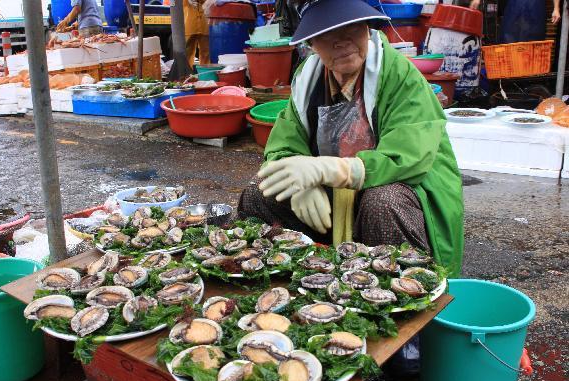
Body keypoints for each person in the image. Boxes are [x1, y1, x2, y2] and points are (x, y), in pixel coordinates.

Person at [238, 0, 464, 278]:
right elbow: (284, 144)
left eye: (351, 28)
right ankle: (297, 284)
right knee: (261, 192)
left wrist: (332, 169)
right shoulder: (308, 78)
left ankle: (400, 295)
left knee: (384, 202)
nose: (341, 42)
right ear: (311, 43)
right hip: (333, 203)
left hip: (394, 196)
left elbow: (409, 158)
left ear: (367, 27)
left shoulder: (401, 76)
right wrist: (299, 186)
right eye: (326, 34)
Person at [469, 0, 561, 43]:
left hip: (535, 10)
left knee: (533, 45)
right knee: (509, 41)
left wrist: (556, 8)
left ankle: (528, 79)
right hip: (514, 10)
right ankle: (509, 78)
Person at [184, 0, 210, 68]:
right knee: (187, 52)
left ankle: (205, 74)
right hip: (189, 23)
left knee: (206, 51)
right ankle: (186, 74)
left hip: (204, 22)